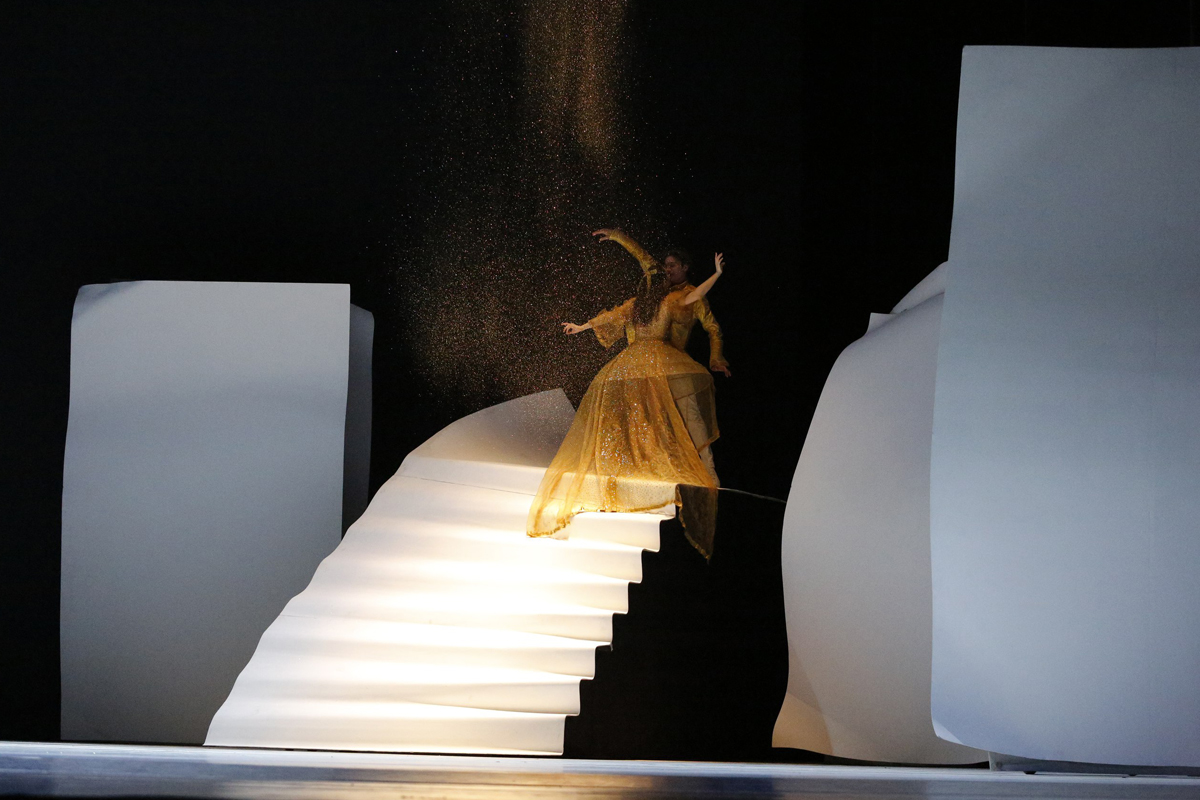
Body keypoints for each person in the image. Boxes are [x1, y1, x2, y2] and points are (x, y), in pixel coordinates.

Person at [526, 231, 727, 557]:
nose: (656, 279)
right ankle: (625, 470)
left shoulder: (674, 299)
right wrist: (582, 326)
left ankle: (709, 468)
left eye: (666, 272)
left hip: (667, 362)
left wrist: (716, 276)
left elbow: (695, 301)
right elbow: (613, 314)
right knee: (634, 413)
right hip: (637, 366)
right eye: (653, 277)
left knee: (689, 415)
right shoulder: (638, 305)